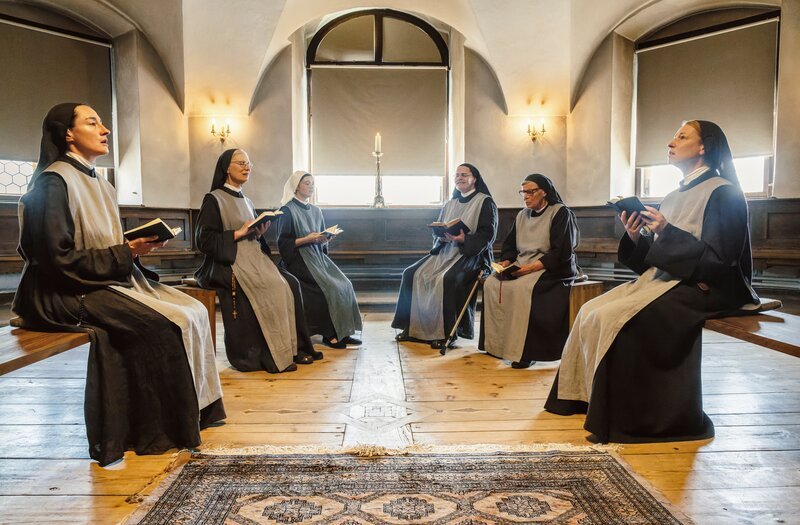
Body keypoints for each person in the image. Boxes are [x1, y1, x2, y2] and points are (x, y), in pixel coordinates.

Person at [13, 103, 225, 466]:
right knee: (161, 324)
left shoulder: (101, 182)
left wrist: (135, 249)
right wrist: (125, 252)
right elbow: (54, 260)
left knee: (192, 310)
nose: (105, 130)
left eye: (103, 123)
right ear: (67, 133)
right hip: (60, 291)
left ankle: (198, 411)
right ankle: (158, 430)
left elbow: (101, 242)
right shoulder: (52, 182)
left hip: (98, 278)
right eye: (93, 122)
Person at [545, 120, 759, 443]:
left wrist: (664, 231)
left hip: (712, 287)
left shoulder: (724, 193)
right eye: (673, 136)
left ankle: (633, 420)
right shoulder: (672, 197)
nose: (671, 143)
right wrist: (635, 235)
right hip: (671, 280)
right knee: (592, 310)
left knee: (622, 319)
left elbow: (720, 261)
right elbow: (657, 257)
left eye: (682, 137)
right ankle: (584, 398)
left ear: (704, 147)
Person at [195, 150, 322, 372]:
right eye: (241, 163)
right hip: (230, 261)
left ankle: (294, 348)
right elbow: (204, 241)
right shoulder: (213, 199)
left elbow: (251, 235)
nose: (247, 168)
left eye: (249, 164)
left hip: (253, 257)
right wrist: (238, 232)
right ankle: (268, 354)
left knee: (291, 284)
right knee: (273, 286)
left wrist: (259, 231)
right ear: (226, 167)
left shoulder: (247, 200)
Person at [392, 163, 498, 347]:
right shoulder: (450, 203)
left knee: (447, 279)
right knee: (411, 274)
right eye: (457, 175)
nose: (459, 178)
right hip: (445, 251)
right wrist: (441, 236)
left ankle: (446, 333)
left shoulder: (485, 201)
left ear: (475, 178)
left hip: (470, 255)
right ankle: (411, 328)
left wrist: (465, 239)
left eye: (464, 175)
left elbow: (488, 234)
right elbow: (440, 228)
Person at [479, 174, 578, 368]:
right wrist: (507, 263)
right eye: (523, 192)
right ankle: (497, 345)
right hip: (523, 264)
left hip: (552, 267)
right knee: (491, 283)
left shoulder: (560, 212)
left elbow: (561, 251)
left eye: (530, 192)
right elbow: (510, 245)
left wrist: (529, 269)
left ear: (544, 192)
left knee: (523, 289)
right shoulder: (521, 215)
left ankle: (527, 352)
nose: (526, 196)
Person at [277, 171, 362, 349]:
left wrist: (325, 239)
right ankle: (329, 334)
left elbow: (321, 237)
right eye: (307, 183)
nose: (311, 186)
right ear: (296, 186)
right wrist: (308, 239)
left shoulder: (316, 210)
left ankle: (343, 332)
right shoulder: (287, 210)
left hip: (317, 257)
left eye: (313, 183)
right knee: (329, 287)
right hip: (298, 259)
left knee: (344, 284)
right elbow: (283, 243)